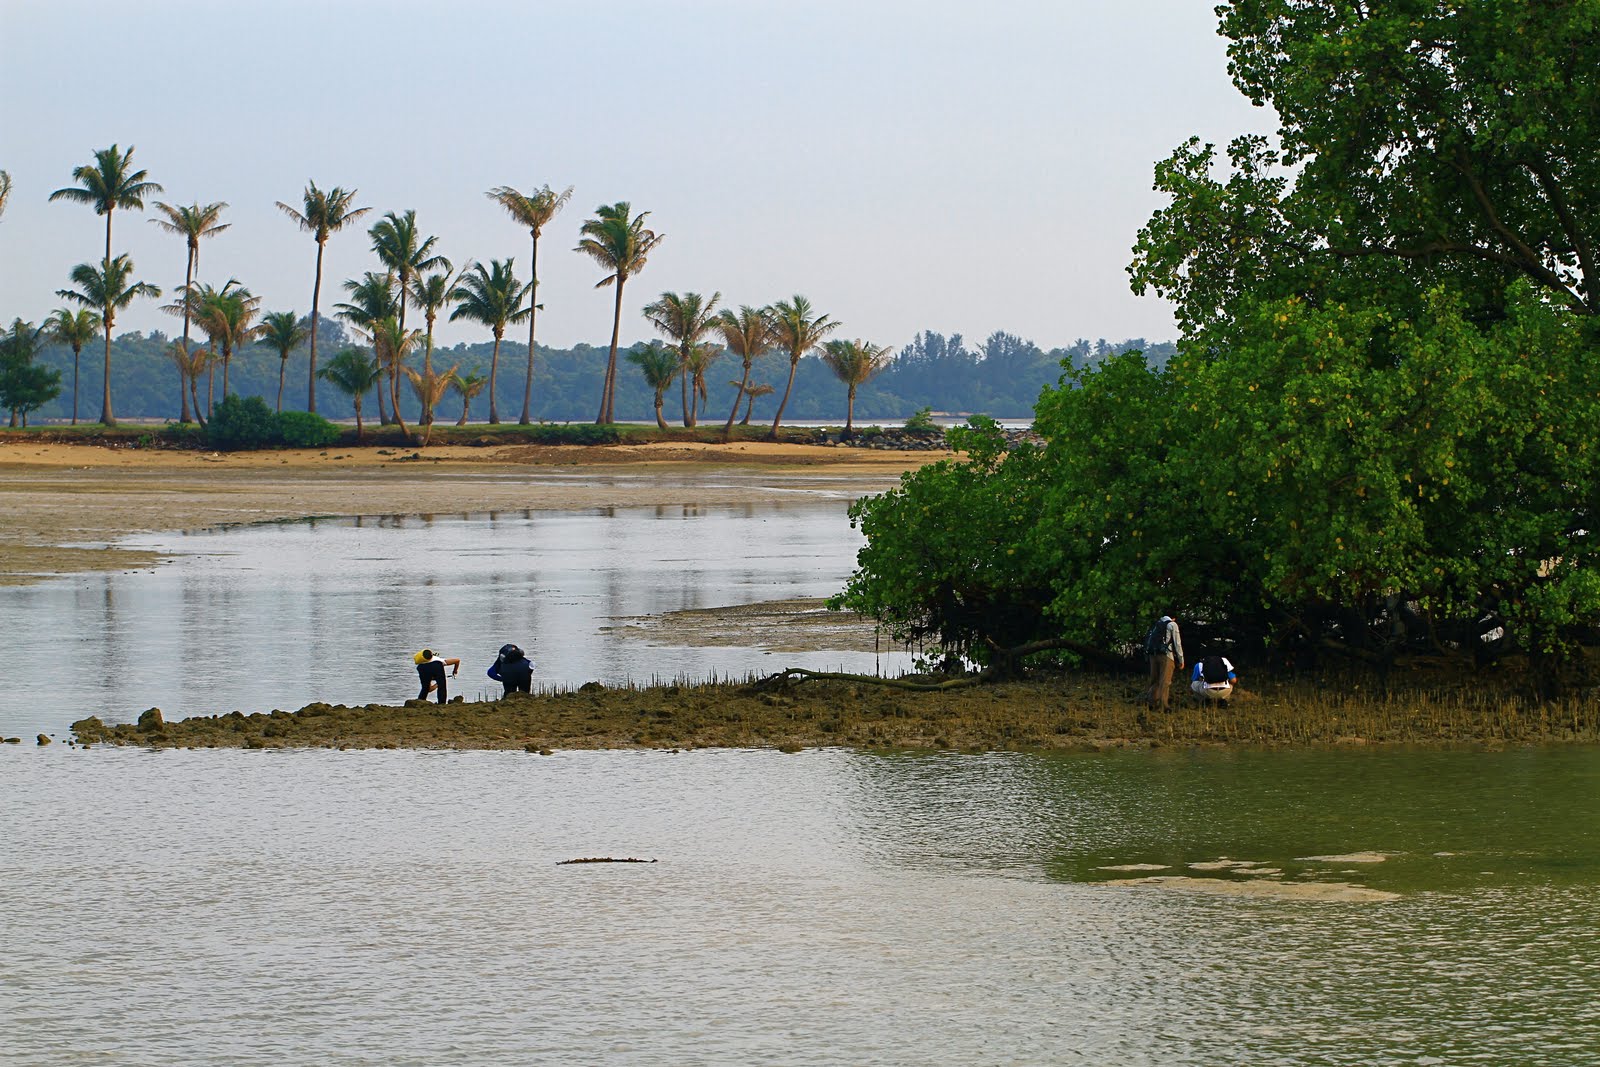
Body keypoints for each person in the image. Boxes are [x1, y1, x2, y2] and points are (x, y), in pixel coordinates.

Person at [1139, 614, 1184, 711]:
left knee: (1154, 678)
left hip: (1153, 655)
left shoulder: (1156, 624)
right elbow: (1177, 643)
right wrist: (1181, 660)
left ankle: (1151, 701)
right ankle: (1164, 705)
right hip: (1166, 655)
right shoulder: (1172, 624)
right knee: (1165, 680)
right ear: (1174, 618)